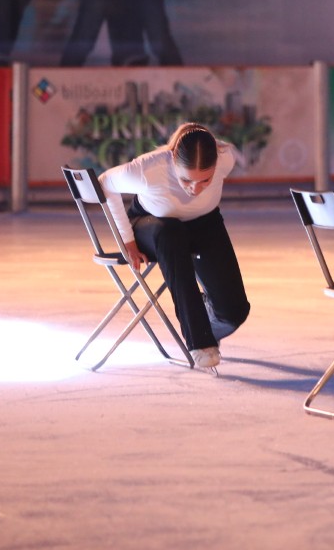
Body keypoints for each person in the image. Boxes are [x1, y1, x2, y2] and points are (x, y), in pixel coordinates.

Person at [98, 122, 250, 369]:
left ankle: (205, 319)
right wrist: (127, 239)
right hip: (152, 225)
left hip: (204, 222)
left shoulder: (226, 158)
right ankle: (199, 341)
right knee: (171, 232)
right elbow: (104, 183)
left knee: (234, 312)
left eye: (205, 180)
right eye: (186, 179)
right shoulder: (148, 168)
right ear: (172, 161)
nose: (195, 189)